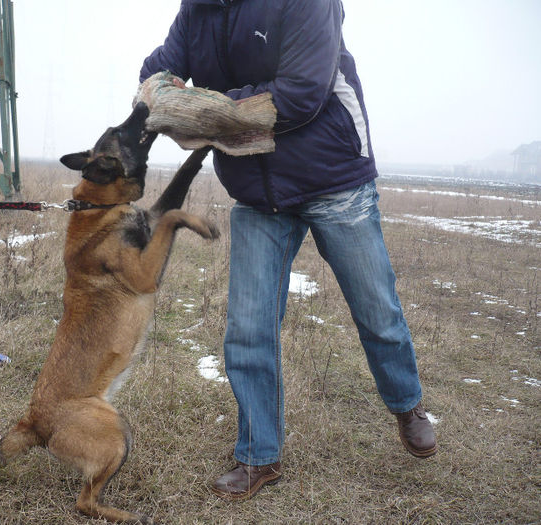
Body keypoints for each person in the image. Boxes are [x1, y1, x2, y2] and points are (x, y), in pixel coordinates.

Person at [140, 0, 437, 500]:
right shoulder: (197, 10)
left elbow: (299, 93)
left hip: (333, 177)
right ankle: (259, 455)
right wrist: (172, 98)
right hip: (256, 193)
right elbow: (156, 75)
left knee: (376, 310)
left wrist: (204, 110)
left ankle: (407, 405)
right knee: (248, 328)